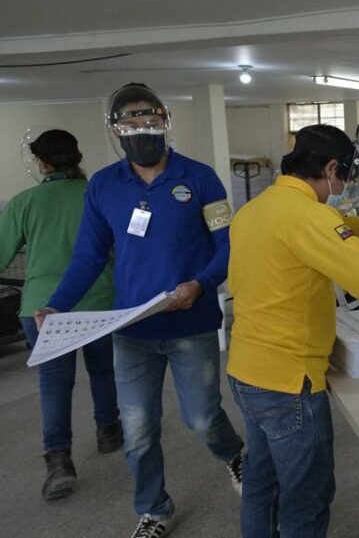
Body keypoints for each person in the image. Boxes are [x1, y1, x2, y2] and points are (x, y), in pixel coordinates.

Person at [36, 83, 244, 538]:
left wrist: (201, 283)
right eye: (130, 122)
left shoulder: (200, 177)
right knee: (138, 430)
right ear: (116, 130)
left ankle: (235, 455)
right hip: (132, 330)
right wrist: (58, 305)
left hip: (192, 321)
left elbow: (228, 243)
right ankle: (154, 509)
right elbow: (88, 256)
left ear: (164, 121)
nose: (141, 130)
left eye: (149, 120)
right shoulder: (104, 187)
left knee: (203, 417)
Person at [227, 124, 359, 537]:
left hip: (246, 370)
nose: (345, 188)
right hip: (289, 380)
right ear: (332, 168)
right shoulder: (309, 218)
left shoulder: (257, 208)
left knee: (262, 483)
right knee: (307, 497)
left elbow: (331, 222)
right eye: (346, 179)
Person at [0, 129, 122, 500]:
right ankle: (108, 430)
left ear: (42, 163)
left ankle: (58, 460)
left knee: (54, 382)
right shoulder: (97, 195)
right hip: (99, 301)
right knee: (103, 368)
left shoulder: (23, 202)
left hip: (42, 308)